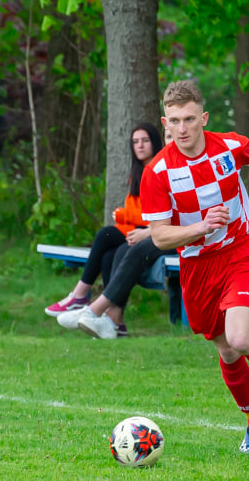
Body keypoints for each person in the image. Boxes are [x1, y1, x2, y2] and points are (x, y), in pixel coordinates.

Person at [140, 80, 249, 453]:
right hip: (196, 268)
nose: (181, 128)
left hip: (238, 254)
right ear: (164, 122)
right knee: (227, 351)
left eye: (188, 119)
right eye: (173, 121)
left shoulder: (229, 146)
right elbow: (158, 237)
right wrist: (200, 227)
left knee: (240, 339)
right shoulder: (156, 172)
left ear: (204, 118)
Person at [57, 127, 177, 338]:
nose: (139, 145)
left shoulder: (170, 171)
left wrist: (136, 225)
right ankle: (115, 322)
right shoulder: (145, 172)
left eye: (145, 140)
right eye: (135, 141)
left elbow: (169, 215)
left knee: (108, 236)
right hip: (153, 231)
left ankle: (92, 307)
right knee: (114, 252)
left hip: (170, 235)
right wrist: (133, 221)